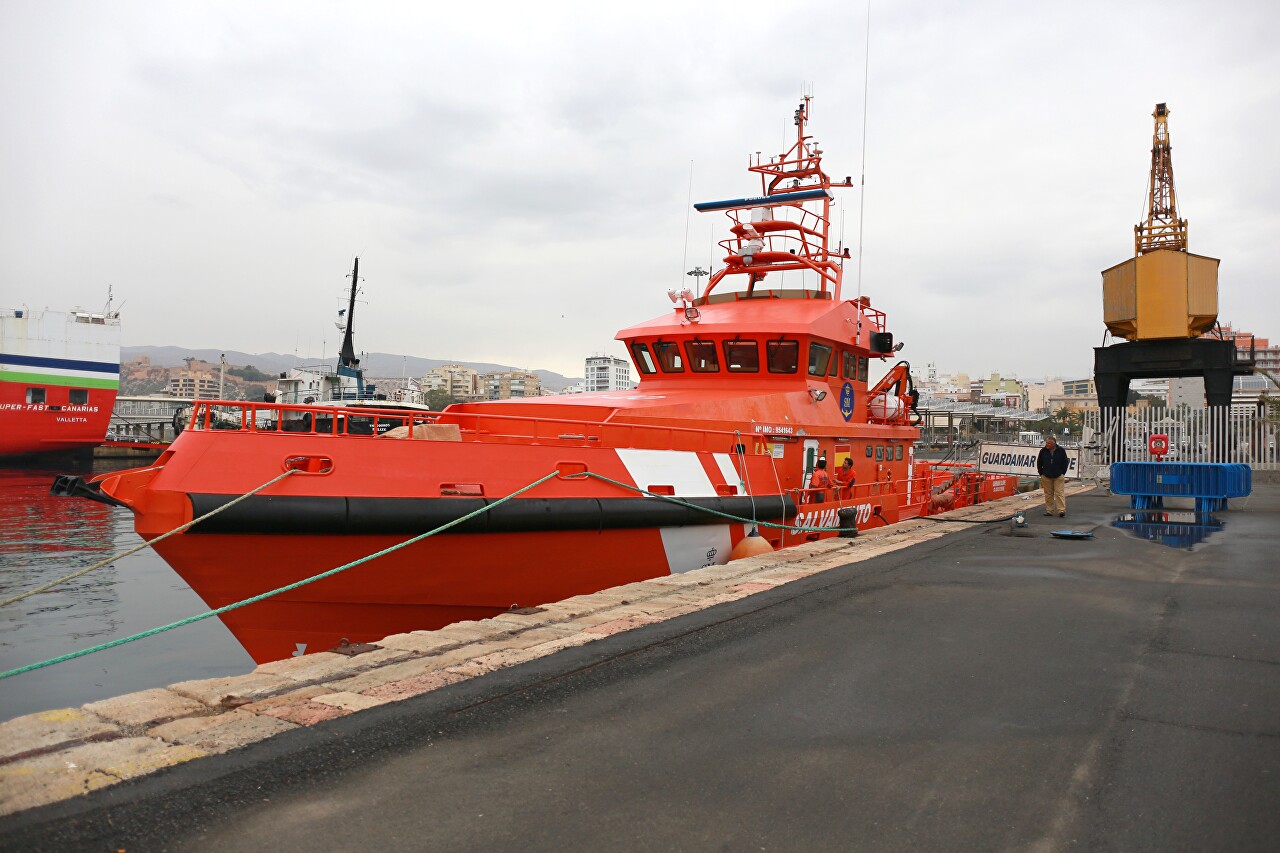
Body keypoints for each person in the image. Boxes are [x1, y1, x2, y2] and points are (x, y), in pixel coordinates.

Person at [1037, 435, 1070, 517]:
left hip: (1058, 476)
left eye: (1048, 443)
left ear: (1054, 443)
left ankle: (1061, 510)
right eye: (1046, 442)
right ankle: (1049, 510)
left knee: (1059, 493)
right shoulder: (1043, 451)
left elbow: (1065, 462)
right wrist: (1041, 473)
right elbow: (1039, 462)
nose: (1046, 444)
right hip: (1046, 476)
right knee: (1048, 494)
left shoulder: (1061, 451)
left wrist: (1063, 473)